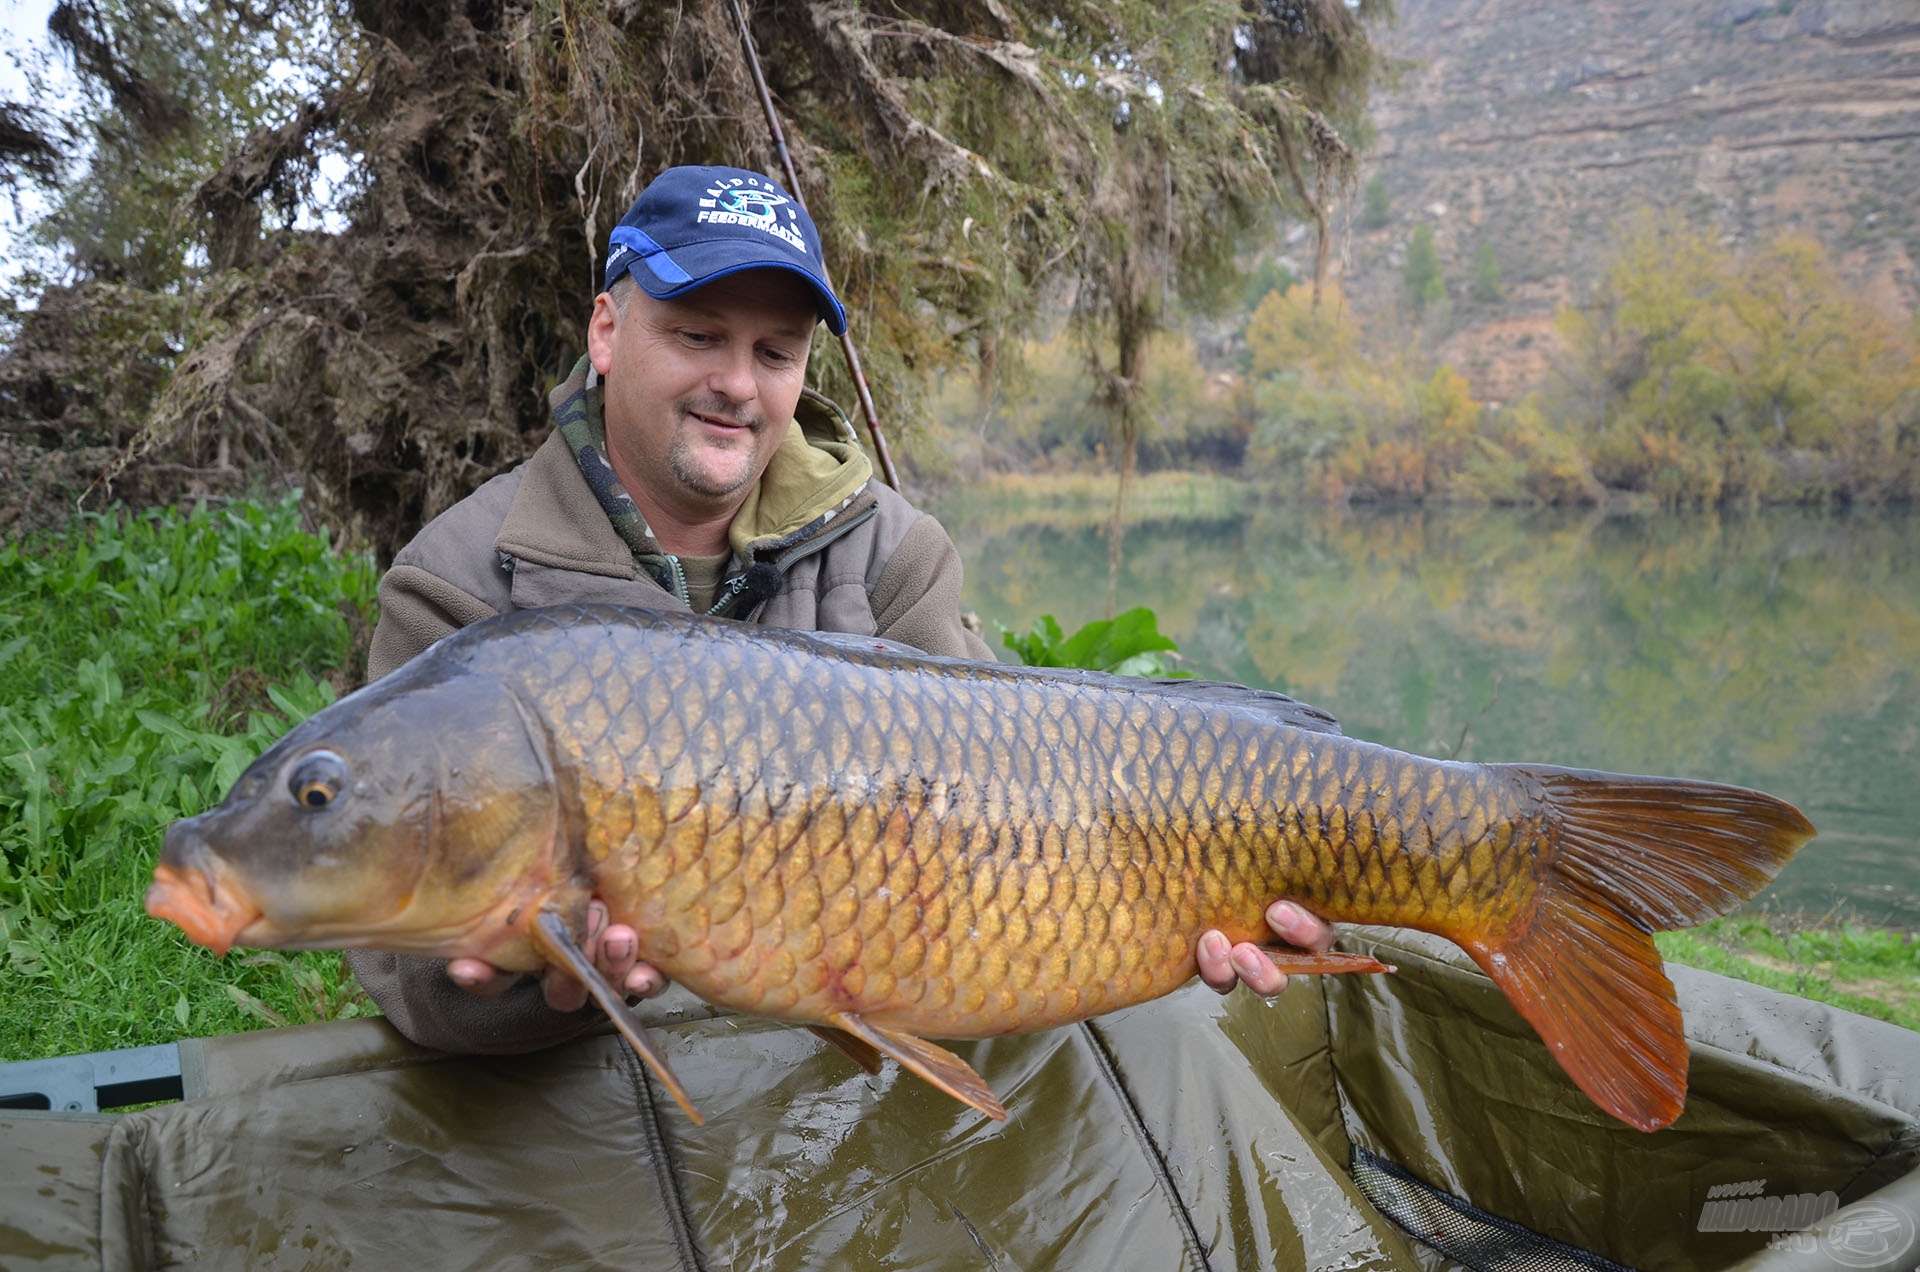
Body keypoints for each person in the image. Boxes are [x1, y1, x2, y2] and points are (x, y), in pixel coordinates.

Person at [347, 163, 1336, 1057]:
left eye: (775, 352)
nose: (736, 384)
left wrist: (1177, 909)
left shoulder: (893, 555)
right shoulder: (464, 584)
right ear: (608, 331)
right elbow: (406, 974)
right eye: (698, 335)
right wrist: (537, 983)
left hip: (837, 1079)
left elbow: (1026, 834)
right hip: (575, 1116)